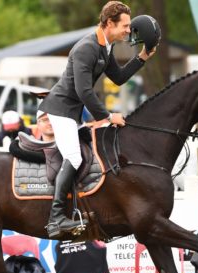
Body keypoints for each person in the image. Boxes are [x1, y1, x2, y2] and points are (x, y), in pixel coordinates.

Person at [37, 1, 157, 238]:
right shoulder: (87, 48)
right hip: (61, 109)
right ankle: (55, 219)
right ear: (109, 23)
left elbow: (120, 77)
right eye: (124, 26)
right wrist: (107, 116)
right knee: (73, 156)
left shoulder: (106, 46)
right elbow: (84, 91)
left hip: (72, 112)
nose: (127, 30)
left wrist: (142, 56)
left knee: (88, 155)